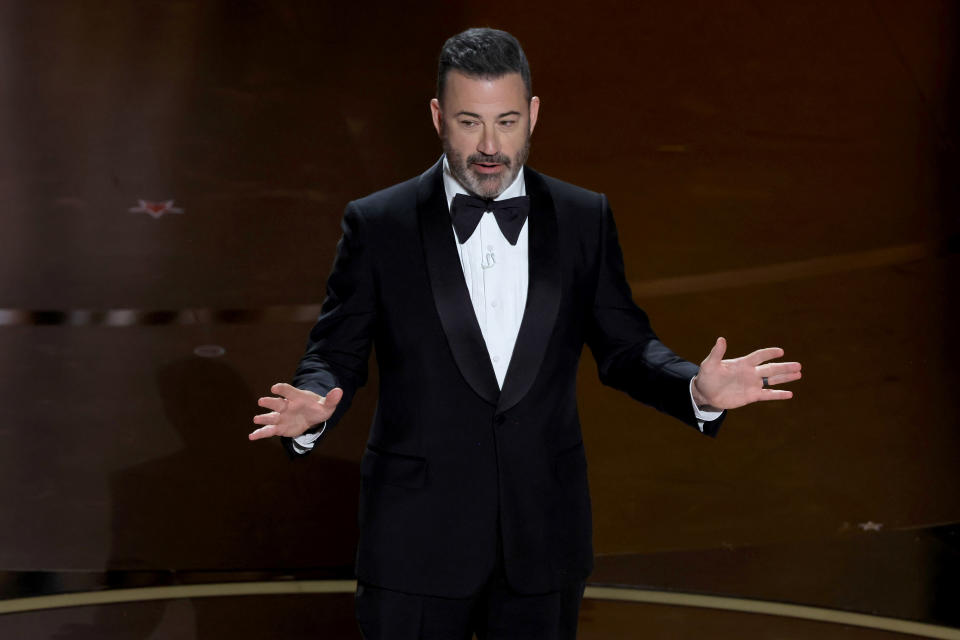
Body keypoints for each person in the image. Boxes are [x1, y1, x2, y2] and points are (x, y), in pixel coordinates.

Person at [249, 27, 801, 640]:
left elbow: (624, 347)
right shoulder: (379, 224)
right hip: (414, 545)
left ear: (533, 114)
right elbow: (336, 354)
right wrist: (313, 405)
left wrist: (694, 389)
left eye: (507, 121)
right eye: (469, 122)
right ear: (437, 116)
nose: (490, 145)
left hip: (543, 540)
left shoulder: (583, 217)